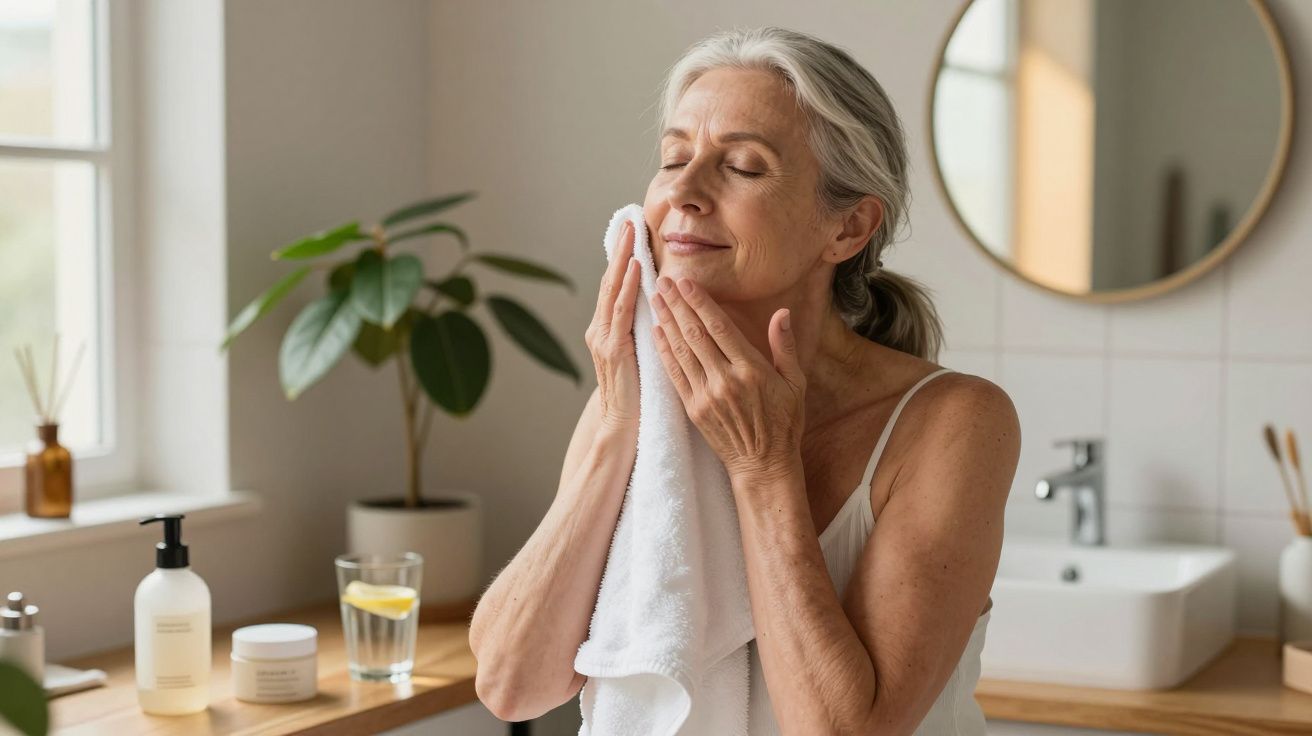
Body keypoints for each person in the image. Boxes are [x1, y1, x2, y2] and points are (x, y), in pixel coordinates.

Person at [470, 26, 1020, 735]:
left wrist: (763, 469)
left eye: (744, 167)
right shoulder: (648, 396)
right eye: (674, 158)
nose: (685, 193)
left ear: (848, 227)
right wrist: (615, 425)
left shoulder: (953, 423)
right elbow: (512, 685)